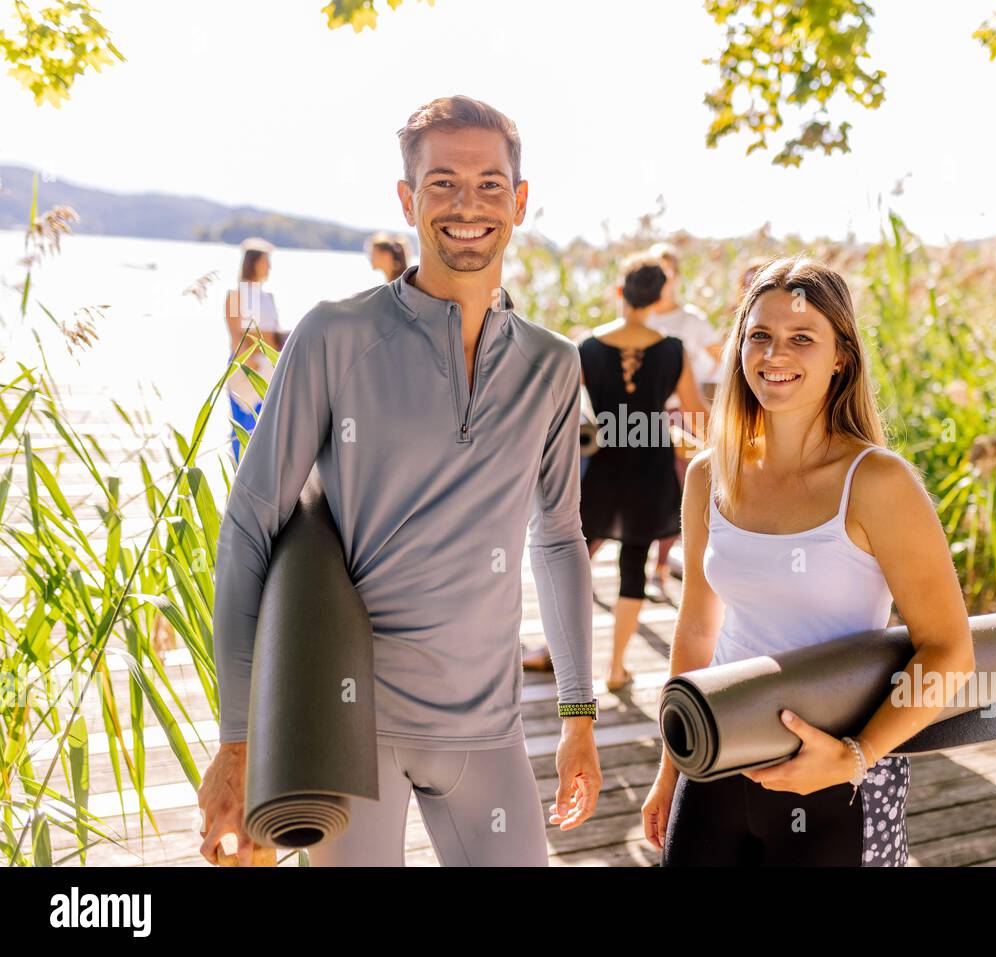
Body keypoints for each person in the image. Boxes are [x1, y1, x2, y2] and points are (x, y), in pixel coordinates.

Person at [197, 95, 601, 867]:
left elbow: (557, 538)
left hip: (489, 728)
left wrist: (578, 715)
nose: (466, 206)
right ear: (407, 199)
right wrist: (240, 740)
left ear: (519, 201)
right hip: (349, 729)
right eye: (442, 182)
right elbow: (250, 525)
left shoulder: (553, 363)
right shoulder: (334, 334)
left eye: (489, 185)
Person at [641, 256, 978, 866]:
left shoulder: (877, 481)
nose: (776, 355)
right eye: (759, 336)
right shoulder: (708, 475)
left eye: (802, 338)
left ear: (841, 355)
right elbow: (695, 630)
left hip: (839, 777)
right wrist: (671, 768)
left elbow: (949, 650)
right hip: (716, 756)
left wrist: (857, 756)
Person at [522, 256, 707, 691]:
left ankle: (555, 654)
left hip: (602, 466)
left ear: (618, 292)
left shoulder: (585, 346)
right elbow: (696, 410)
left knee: (573, 556)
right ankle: (616, 668)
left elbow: (557, 404)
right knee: (633, 564)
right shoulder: (673, 349)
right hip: (651, 464)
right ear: (660, 297)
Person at [642, 242, 722, 601]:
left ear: (675, 276)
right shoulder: (639, 317)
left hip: (682, 415)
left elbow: (725, 360)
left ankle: (659, 572)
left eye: (666, 271)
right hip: (641, 416)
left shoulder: (691, 320)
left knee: (680, 488)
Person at [223, 238, 285, 464]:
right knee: (242, 425)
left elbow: (273, 335)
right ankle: (238, 473)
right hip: (244, 365)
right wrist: (255, 348)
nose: (269, 267)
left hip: (267, 367)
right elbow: (236, 333)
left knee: (263, 426)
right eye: (265, 261)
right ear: (254, 262)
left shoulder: (267, 296)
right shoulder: (235, 294)